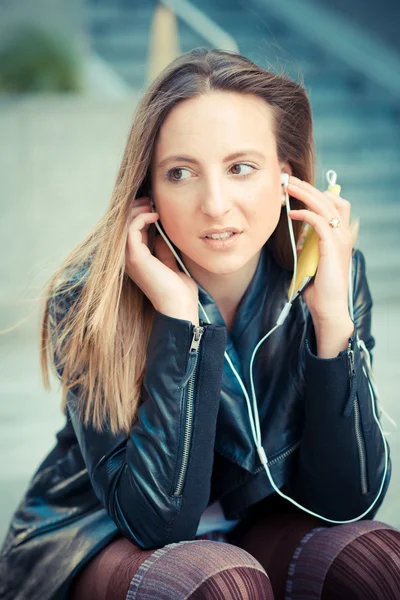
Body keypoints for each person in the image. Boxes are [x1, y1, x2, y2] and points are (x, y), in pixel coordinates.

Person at [0, 48, 398, 600]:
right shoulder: (89, 299)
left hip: (260, 522)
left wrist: (331, 321)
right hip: (98, 538)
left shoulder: (330, 274)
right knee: (221, 585)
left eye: (241, 168)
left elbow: (348, 502)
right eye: (181, 173)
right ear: (150, 192)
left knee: (376, 559)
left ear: (285, 176)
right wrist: (181, 322)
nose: (215, 204)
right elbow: (159, 526)